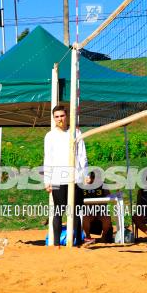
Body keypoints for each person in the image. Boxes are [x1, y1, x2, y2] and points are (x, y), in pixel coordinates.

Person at [43, 105, 86, 248]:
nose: (59, 119)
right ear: (53, 118)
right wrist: (47, 180)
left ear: (66, 116)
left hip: (75, 178)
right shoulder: (50, 136)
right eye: (56, 116)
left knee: (75, 211)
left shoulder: (76, 132)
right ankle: (56, 244)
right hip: (57, 179)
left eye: (62, 116)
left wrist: (84, 174)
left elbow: (82, 156)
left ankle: (78, 243)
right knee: (58, 211)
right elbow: (47, 158)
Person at [81, 170, 114, 244]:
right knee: (85, 217)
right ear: (91, 178)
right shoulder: (85, 187)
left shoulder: (103, 186)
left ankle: (104, 237)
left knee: (107, 218)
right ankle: (88, 236)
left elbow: (109, 196)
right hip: (89, 211)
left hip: (100, 211)